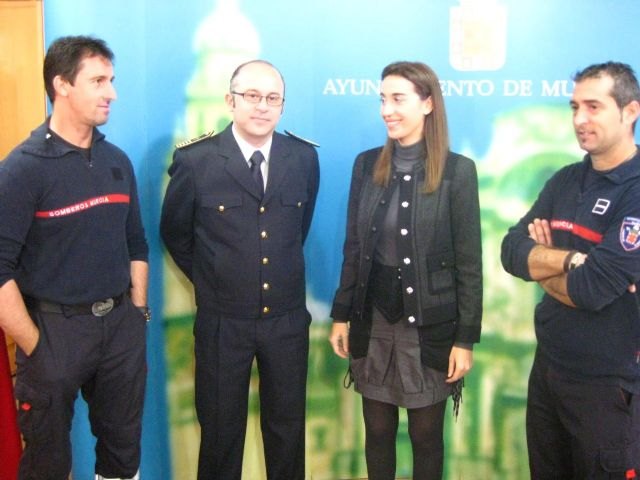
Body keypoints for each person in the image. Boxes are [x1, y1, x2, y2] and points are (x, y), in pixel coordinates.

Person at [160, 59, 320, 480]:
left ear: (282, 106)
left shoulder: (302, 158)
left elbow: (296, 230)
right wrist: (215, 279)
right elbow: (175, 233)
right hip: (222, 322)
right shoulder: (197, 161)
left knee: (287, 433)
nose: (262, 107)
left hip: (285, 321)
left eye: (272, 98)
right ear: (230, 101)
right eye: (251, 96)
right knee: (219, 435)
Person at [0, 36, 149, 480]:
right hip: (53, 333)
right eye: (99, 81)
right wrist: (35, 346)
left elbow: (136, 244)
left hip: (119, 328)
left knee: (123, 456)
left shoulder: (116, 160)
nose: (112, 93)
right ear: (61, 84)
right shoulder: (23, 168)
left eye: (113, 80)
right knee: (47, 463)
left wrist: (135, 314)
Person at [329, 61, 483, 480]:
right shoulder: (365, 166)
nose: (386, 110)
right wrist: (341, 314)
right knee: (377, 430)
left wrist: (465, 339)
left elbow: (470, 264)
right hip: (373, 318)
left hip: (430, 326)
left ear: (428, 104)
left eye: (398, 99)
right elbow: (354, 247)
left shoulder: (457, 172)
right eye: (383, 99)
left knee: (426, 434)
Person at [501, 61, 640, 479]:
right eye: (574, 106)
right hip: (548, 370)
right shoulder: (564, 180)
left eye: (593, 106)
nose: (580, 119)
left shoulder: (635, 191)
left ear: (630, 111)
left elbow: (591, 289)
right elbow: (511, 251)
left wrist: (540, 264)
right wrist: (567, 259)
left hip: (607, 385)